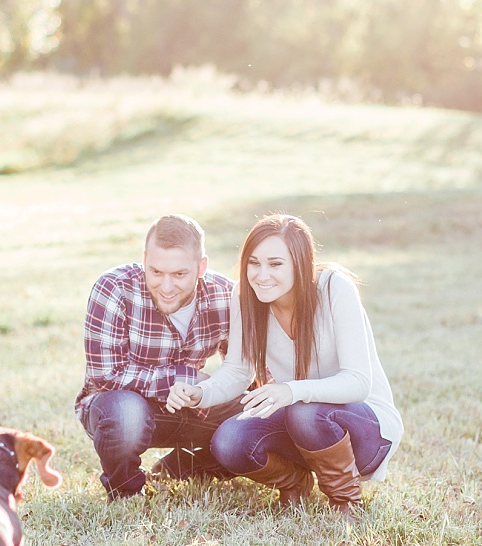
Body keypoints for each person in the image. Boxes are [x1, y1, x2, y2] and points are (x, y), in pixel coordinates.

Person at [166, 214, 401, 514]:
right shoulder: (245, 295)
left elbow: (358, 382)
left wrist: (289, 391)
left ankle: (346, 500)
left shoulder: (334, 288)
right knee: (229, 440)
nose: (261, 275)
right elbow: (239, 370)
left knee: (305, 412)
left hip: (367, 432)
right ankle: (295, 484)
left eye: (275, 264)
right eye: (254, 263)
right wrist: (201, 393)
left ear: (300, 263)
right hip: (301, 424)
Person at [76, 214, 243, 500]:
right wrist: (186, 378)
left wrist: (202, 390)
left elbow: (243, 368)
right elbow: (106, 376)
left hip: (189, 404)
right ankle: (126, 491)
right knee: (126, 414)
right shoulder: (114, 288)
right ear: (144, 259)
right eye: (156, 272)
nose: (166, 287)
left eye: (179, 274)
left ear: (201, 266)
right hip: (120, 404)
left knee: (252, 420)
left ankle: (184, 467)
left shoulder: (225, 295)